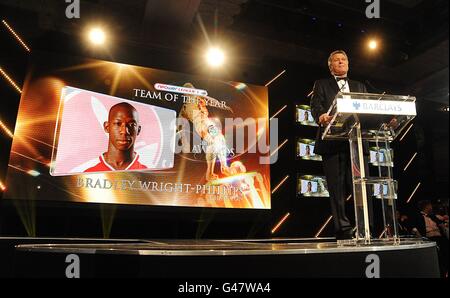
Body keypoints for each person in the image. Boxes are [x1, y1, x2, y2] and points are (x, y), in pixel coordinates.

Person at [310, 50, 368, 240]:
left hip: (356, 143)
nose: (341, 62)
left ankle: (364, 226)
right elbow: (315, 106)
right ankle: (343, 229)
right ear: (330, 66)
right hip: (331, 143)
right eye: (337, 60)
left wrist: (387, 119)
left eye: (344, 59)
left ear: (348, 64)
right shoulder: (321, 84)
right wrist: (321, 116)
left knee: (359, 187)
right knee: (336, 188)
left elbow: (369, 111)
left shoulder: (360, 86)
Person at [85, 102, 147, 172]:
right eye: (118, 124)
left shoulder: (149, 176)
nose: (124, 131)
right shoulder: (89, 175)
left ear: (138, 130)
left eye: (131, 125)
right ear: (107, 127)